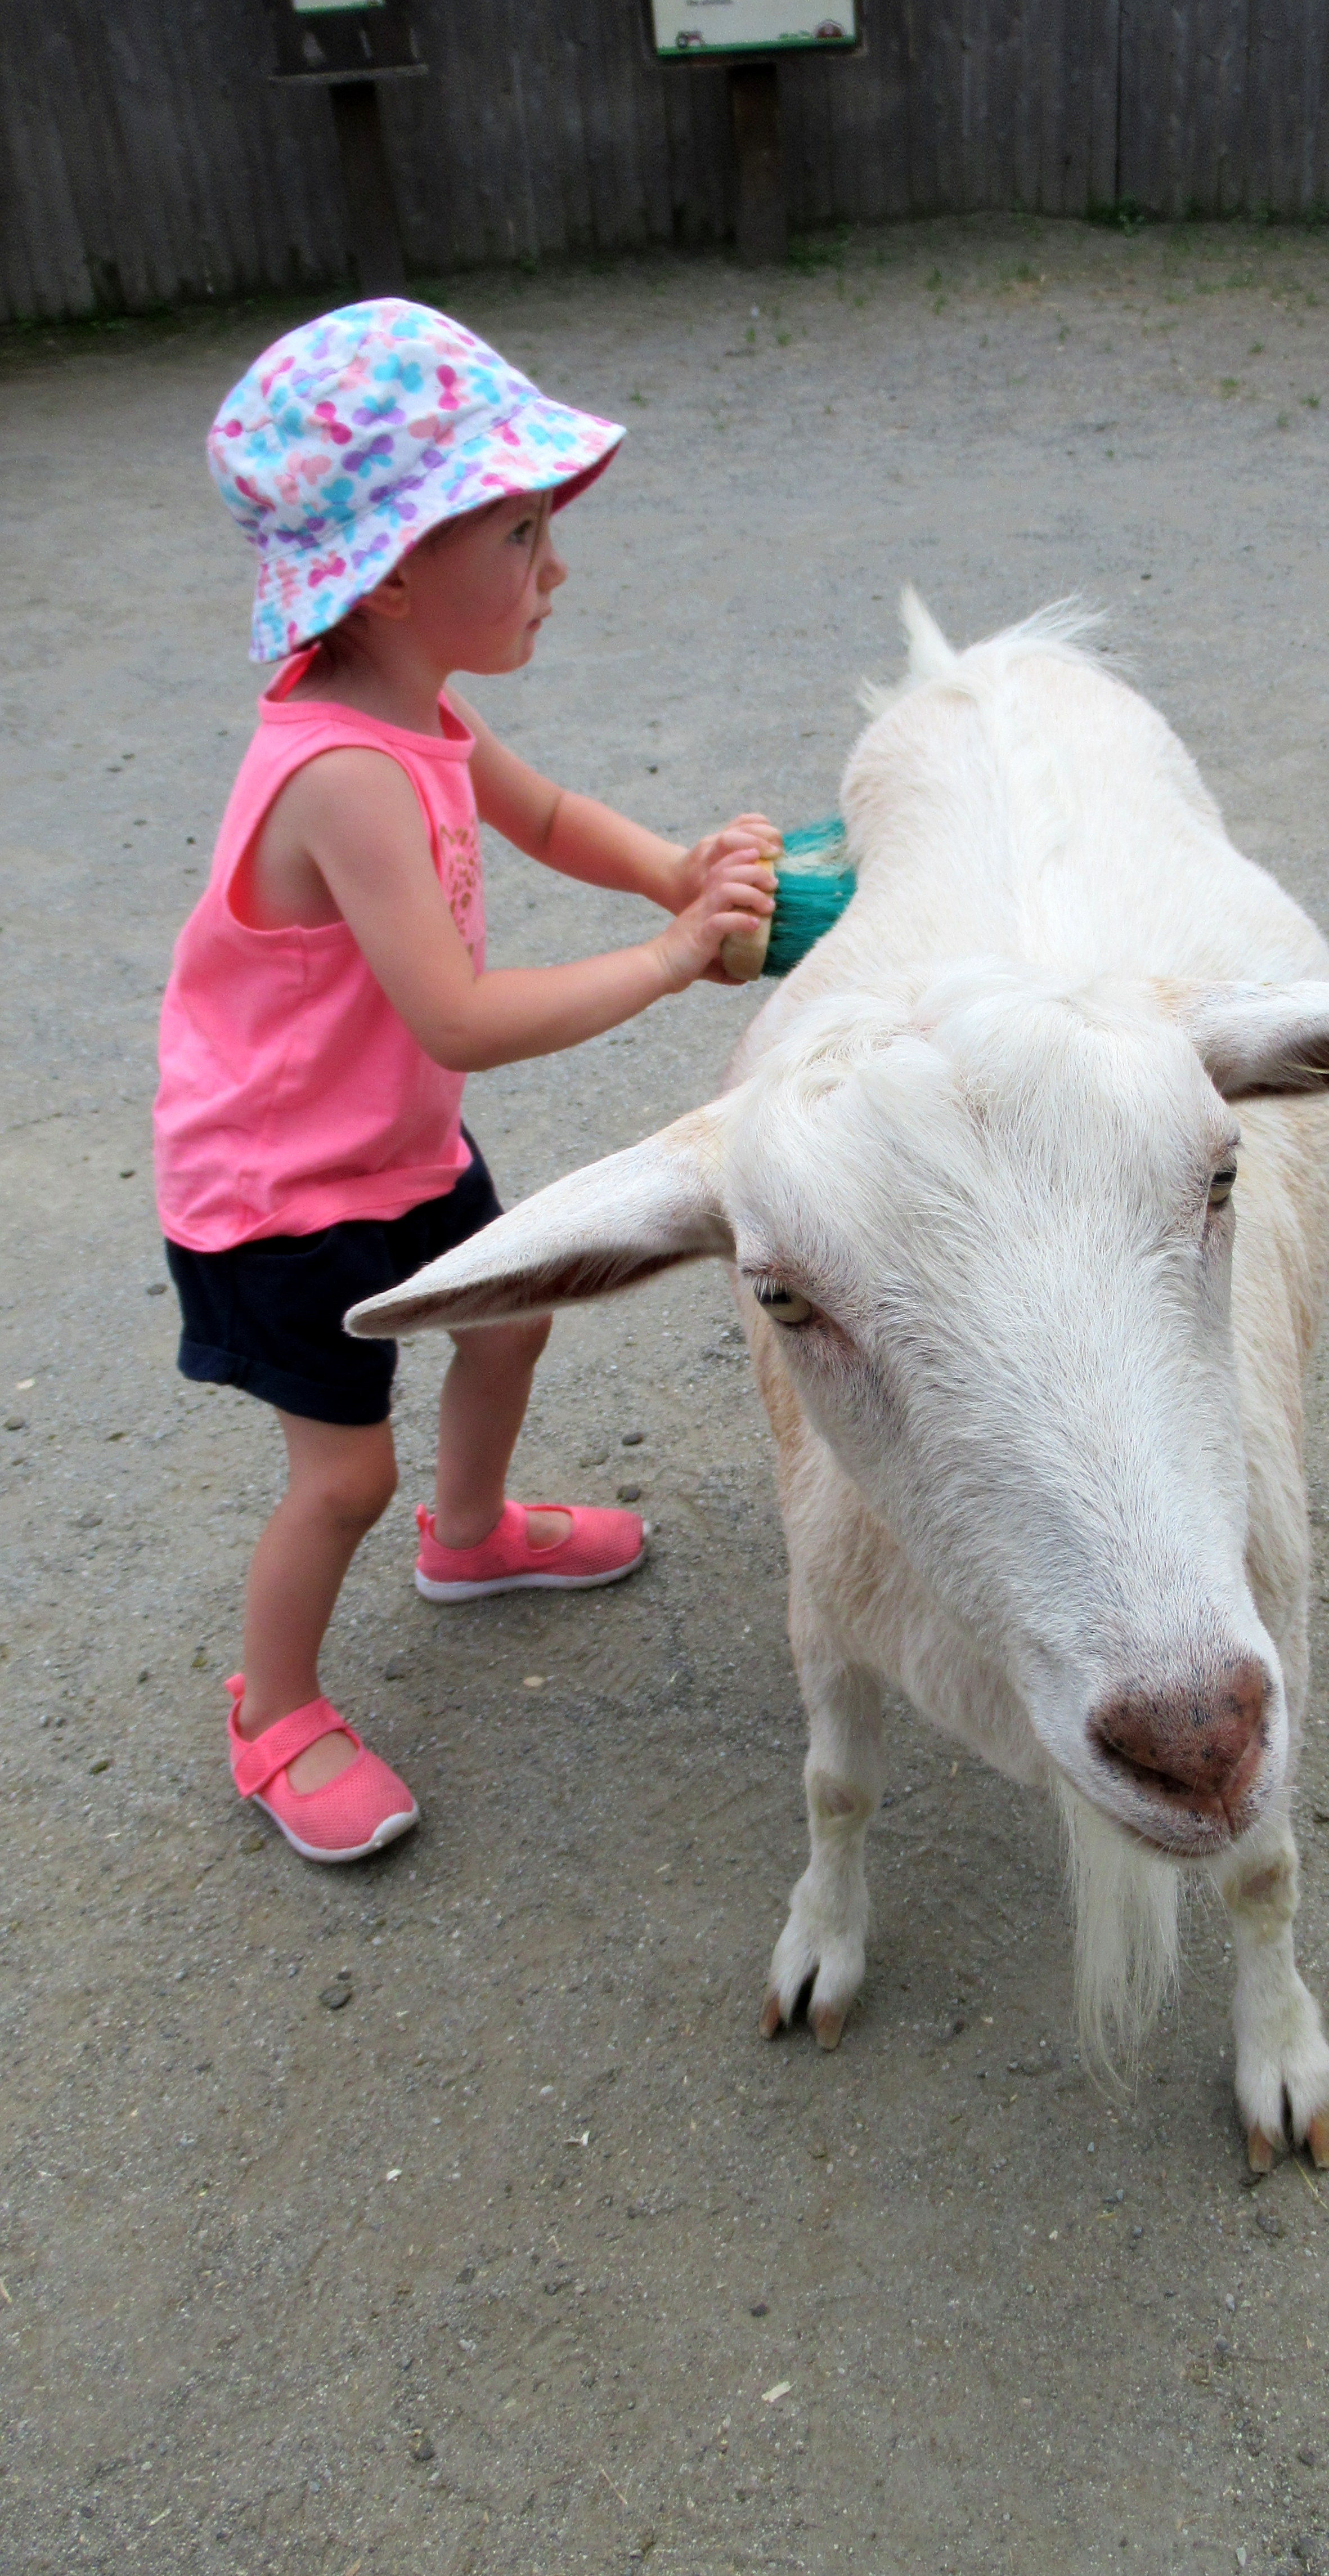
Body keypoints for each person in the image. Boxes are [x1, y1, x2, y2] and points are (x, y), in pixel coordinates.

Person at [154, 299, 778, 1866]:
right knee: (339, 1475)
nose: (554, 566)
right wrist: (668, 959)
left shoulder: (416, 707)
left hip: (397, 1149)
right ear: (386, 570)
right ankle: (273, 1710)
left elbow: (546, 814)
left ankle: (477, 1535)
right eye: (517, 532)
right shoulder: (343, 774)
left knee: (509, 1314)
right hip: (281, 1195)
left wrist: (674, 871)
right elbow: (458, 1018)